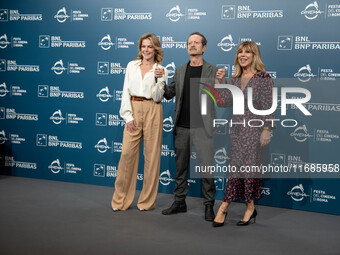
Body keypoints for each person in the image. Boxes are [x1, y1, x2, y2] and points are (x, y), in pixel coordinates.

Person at [161, 32, 226, 221]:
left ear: (204, 47)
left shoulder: (213, 71)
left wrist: (222, 81)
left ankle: (208, 205)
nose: (192, 45)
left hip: (203, 127)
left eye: (196, 43)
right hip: (181, 126)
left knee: (207, 169)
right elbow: (169, 94)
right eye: (190, 43)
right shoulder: (180, 70)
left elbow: (222, 100)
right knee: (180, 168)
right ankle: (179, 202)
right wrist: (160, 80)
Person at [213, 41, 275, 227]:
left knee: (244, 171)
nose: (243, 55)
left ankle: (223, 207)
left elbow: (269, 105)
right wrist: (219, 82)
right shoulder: (235, 79)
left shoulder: (263, 77)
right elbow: (222, 102)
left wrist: (266, 130)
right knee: (237, 169)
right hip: (237, 130)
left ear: (254, 55)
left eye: (247, 52)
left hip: (254, 130)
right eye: (240, 51)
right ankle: (250, 206)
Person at [111, 33, 168, 211]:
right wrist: (128, 116)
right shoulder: (131, 66)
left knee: (151, 157)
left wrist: (159, 79)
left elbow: (159, 97)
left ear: (156, 49)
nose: (146, 50)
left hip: (153, 109)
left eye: (150, 47)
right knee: (127, 155)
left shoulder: (162, 69)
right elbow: (125, 92)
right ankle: (120, 201)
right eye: (143, 46)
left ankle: (146, 202)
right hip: (134, 108)